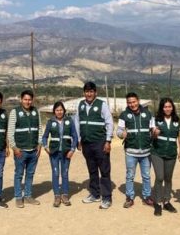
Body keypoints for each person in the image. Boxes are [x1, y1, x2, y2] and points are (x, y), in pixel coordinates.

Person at [74, 82, 113, 210]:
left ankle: (106, 197)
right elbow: (77, 122)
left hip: (100, 143)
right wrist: (78, 139)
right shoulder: (81, 105)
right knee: (92, 170)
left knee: (104, 170)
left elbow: (109, 123)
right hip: (86, 143)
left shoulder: (102, 105)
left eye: (91, 91)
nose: (89, 94)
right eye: (87, 91)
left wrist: (108, 141)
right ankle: (95, 194)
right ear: (84, 93)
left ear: (95, 92)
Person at [117, 92, 154, 208]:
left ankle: (147, 197)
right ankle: (129, 197)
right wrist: (121, 134)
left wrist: (156, 132)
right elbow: (118, 131)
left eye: (134, 102)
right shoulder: (124, 115)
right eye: (129, 102)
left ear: (138, 101)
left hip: (146, 152)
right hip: (131, 152)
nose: (132, 104)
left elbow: (153, 129)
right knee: (130, 176)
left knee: (146, 176)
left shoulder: (148, 113)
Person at [7, 89, 43, 208]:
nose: (27, 102)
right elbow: (10, 132)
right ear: (21, 99)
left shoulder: (36, 111)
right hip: (20, 151)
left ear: (32, 100)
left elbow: (39, 129)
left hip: (33, 150)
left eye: (29, 99)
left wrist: (39, 144)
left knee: (30, 174)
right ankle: (18, 197)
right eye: (25, 99)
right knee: (19, 174)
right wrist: (14, 148)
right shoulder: (14, 112)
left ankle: (28, 196)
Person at [150, 98, 180, 216]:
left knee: (168, 178)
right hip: (157, 152)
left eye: (169, 106)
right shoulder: (155, 119)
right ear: (162, 108)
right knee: (160, 177)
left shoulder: (177, 120)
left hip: (171, 153)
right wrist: (154, 133)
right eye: (165, 107)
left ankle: (167, 201)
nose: (167, 109)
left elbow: (179, 136)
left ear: (172, 107)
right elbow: (152, 135)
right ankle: (158, 203)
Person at [42, 101, 78, 207]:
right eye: (57, 110)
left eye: (61, 110)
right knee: (56, 173)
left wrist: (72, 150)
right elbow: (44, 136)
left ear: (64, 111)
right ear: (54, 111)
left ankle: (65, 195)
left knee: (65, 173)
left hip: (66, 152)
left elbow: (75, 136)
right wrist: (46, 147)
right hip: (54, 152)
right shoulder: (50, 122)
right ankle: (57, 196)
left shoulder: (69, 121)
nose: (59, 112)